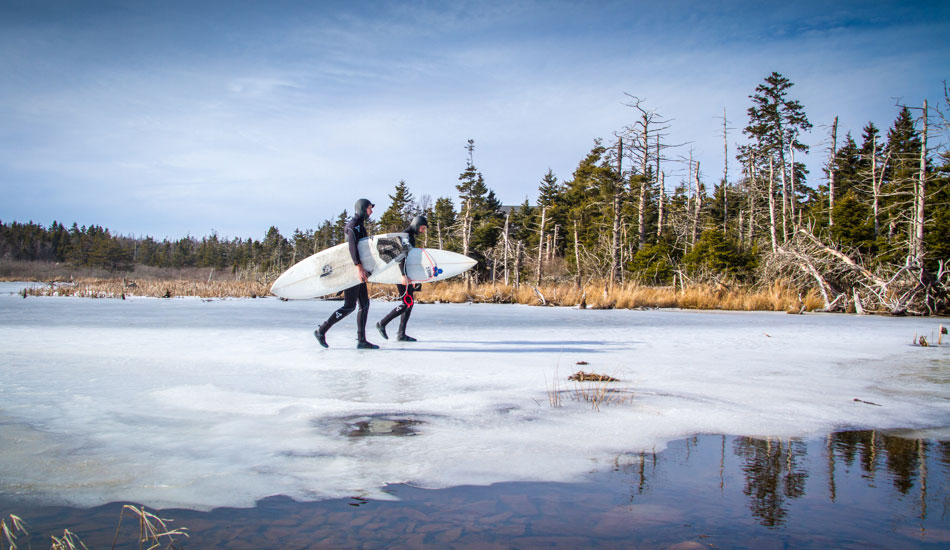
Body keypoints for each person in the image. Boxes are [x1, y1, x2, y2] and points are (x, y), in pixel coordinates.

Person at [314, 198, 379, 349]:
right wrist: (358, 267)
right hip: (352, 271)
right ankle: (321, 330)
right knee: (349, 306)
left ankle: (362, 340)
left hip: (358, 270)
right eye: (369, 208)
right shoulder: (353, 225)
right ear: (362, 208)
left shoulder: (360, 226)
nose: (371, 211)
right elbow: (352, 247)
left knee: (364, 304)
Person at [376, 215, 427, 342]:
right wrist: (403, 276)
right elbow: (401, 256)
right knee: (407, 303)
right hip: (401, 274)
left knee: (409, 304)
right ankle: (382, 323)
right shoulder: (405, 236)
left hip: (407, 274)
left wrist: (415, 278)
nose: (423, 230)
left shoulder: (410, 237)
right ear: (417, 225)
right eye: (422, 228)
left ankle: (401, 334)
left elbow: (412, 259)